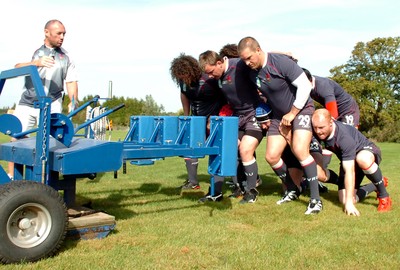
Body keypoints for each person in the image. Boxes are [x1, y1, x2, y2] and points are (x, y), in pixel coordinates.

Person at [238, 36, 322, 214]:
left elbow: (305, 86)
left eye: (249, 58)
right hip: (279, 116)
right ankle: (293, 189)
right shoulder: (252, 69)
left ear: (258, 50)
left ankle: (315, 200)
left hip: (300, 111)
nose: (246, 62)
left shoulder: (281, 63)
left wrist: (292, 113)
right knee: (272, 156)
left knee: (300, 150)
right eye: (243, 59)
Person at [8, 19, 79, 180]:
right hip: (28, 102)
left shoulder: (66, 57)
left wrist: (73, 101)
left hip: (52, 102)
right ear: (47, 32)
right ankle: (12, 176)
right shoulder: (34, 51)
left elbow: (71, 81)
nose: (62, 37)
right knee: (16, 138)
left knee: (53, 142)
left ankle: (46, 179)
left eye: (64, 34)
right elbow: (16, 67)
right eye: (59, 33)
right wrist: (36, 63)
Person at [199, 50, 263, 204]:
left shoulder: (239, 65)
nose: (210, 76)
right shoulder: (218, 78)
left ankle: (251, 191)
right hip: (237, 118)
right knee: (223, 147)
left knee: (246, 150)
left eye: (211, 71)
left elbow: (261, 56)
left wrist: (285, 53)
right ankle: (216, 192)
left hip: (255, 115)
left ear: (219, 63)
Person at [312, 108, 392, 215]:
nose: (318, 131)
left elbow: (350, 171)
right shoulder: (317, 132)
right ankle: (376, 184)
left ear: (331, 122)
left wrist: (349, 204)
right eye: (315, 127)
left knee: (362, 159)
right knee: (343, 200)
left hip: (365, 151)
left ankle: (384, 196)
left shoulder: (343, 137)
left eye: (321, 127)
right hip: (349, 159)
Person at [169, 53, 227, 201]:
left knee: (218, 152)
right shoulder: (183, 82)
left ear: (192, 70)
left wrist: (216, 118)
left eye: (184, 74)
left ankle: (229, 186)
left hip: (214, 120)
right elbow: (184, 95)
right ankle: (193, 182)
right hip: (196, 120)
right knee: (189, 148)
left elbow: (226, 96)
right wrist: (187, 116)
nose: (182, 78)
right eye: (179, 76)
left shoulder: (209, 78)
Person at [303, 67, 361, 168]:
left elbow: (332, 115)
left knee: (349, 141)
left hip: (348, 110)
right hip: (337, 110)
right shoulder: (308, 85)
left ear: (309, 80)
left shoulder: (323, 87)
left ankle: (368, 172)